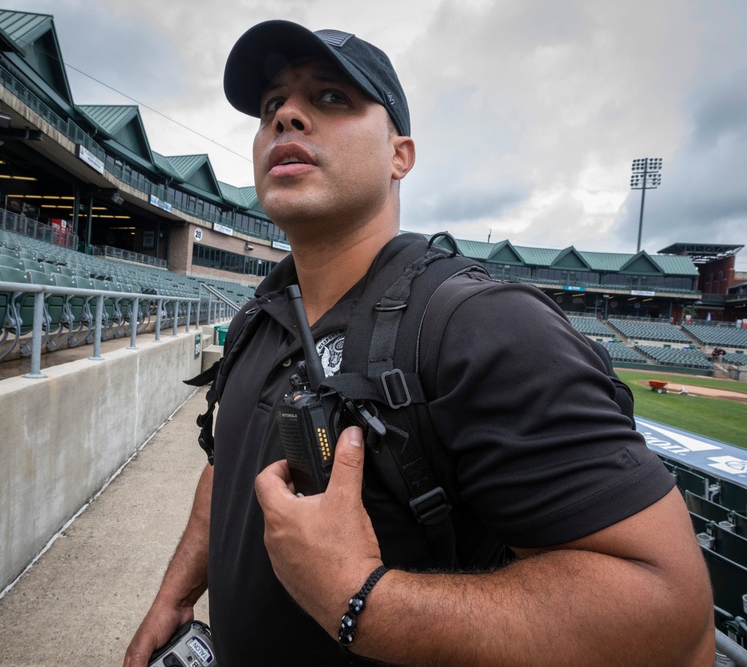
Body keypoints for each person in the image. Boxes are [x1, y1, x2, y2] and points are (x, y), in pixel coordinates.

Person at [125, 20, 714, 666]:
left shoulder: (480, 326)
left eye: (330, 98)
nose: (287, 115)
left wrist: (362, 601)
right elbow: (227, 467)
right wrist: (174, 596)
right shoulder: (258, 316)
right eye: (271, 108)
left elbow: (672, 609)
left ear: (400, 154)